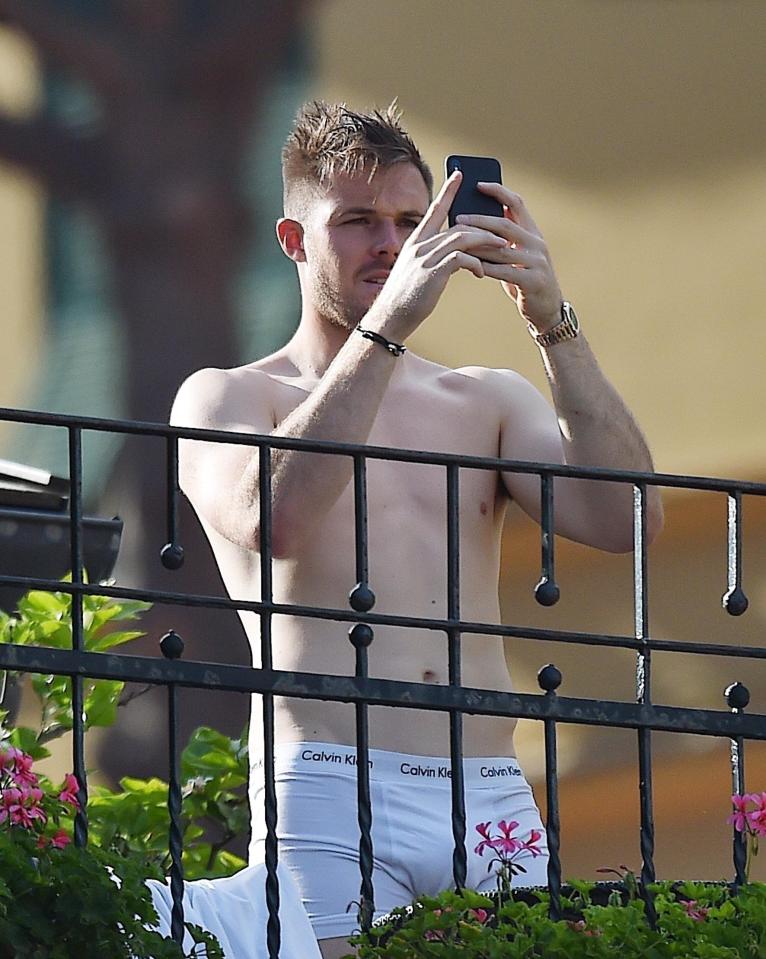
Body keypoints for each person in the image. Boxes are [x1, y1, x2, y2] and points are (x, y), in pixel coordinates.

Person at [170, 100, 663, 958]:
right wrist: (387, 325)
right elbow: (274, 519)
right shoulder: (230, 396)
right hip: (330, 778)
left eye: (409, 219)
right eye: (358, 221)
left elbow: (627, 520)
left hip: (489, 783)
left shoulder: (485, 398)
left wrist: (552, 319)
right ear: (293, 239)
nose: (389, 244)